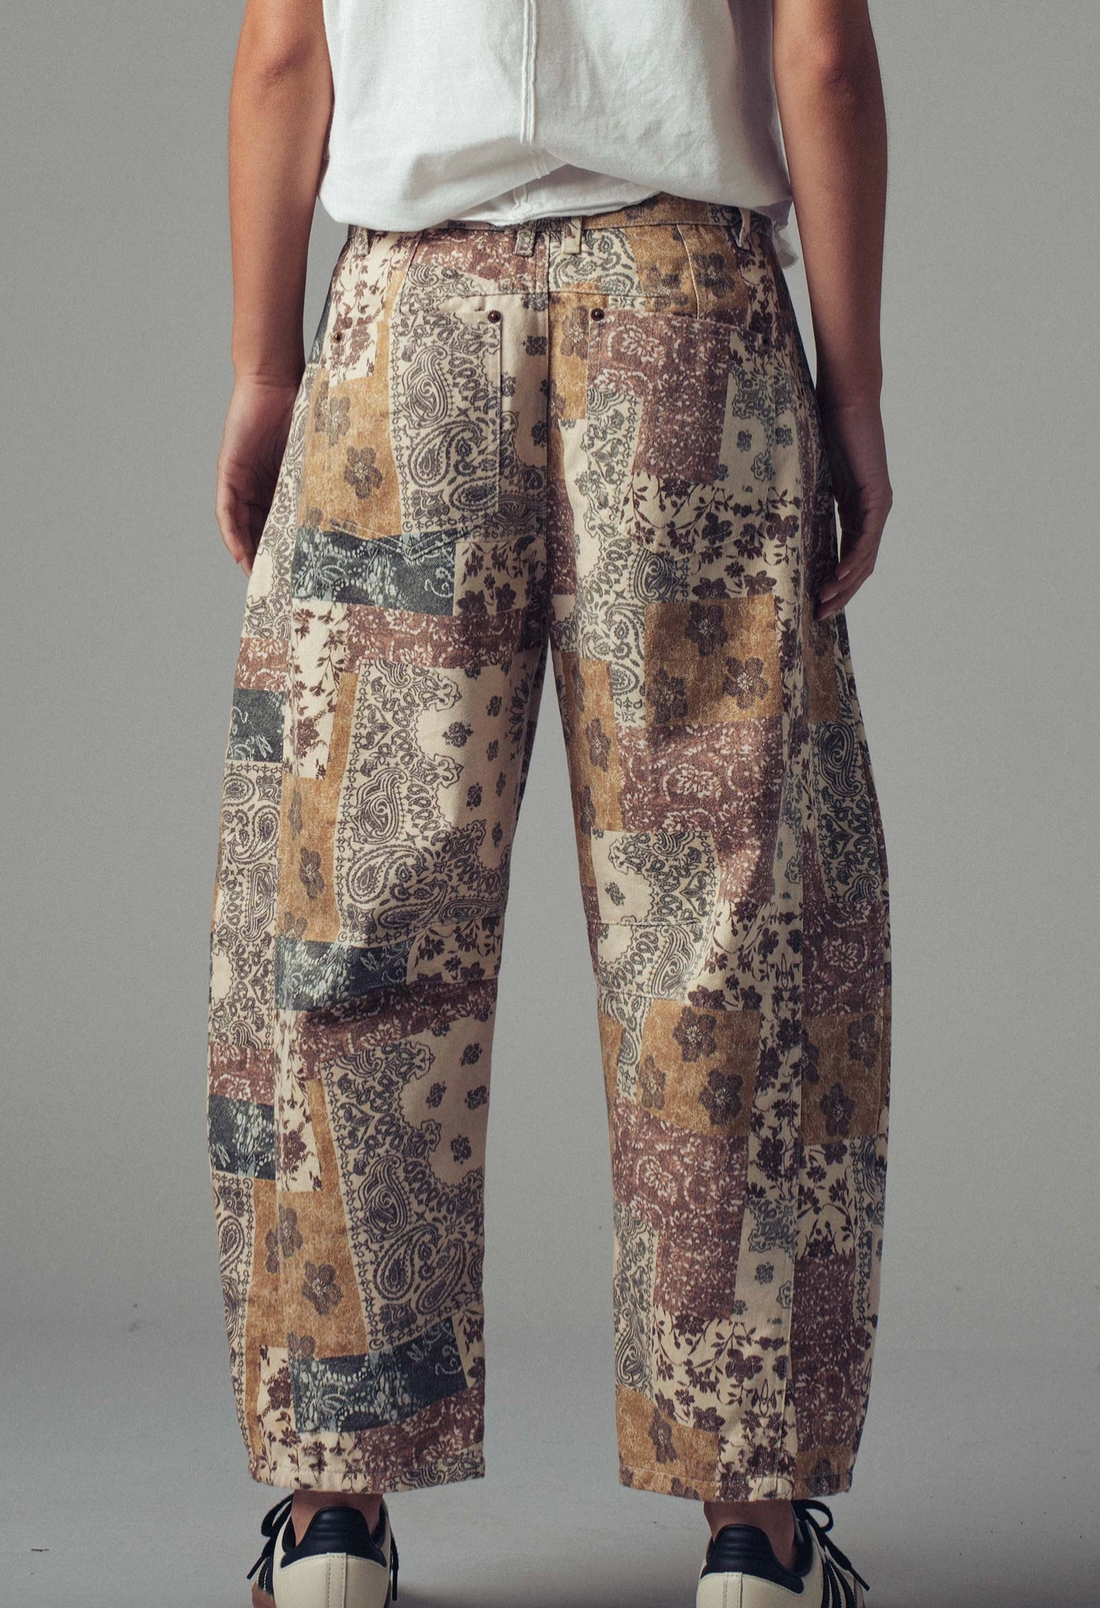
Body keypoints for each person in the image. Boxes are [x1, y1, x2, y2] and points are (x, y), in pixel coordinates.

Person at [208, 1, 892, 1604]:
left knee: (356, 912)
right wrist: (853, 389)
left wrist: (264, 366)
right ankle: (752, 1529)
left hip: (409, 327)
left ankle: (333, 1517)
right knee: (719, 918)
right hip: (688, 321)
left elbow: (283, 57)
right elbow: (823, 58)